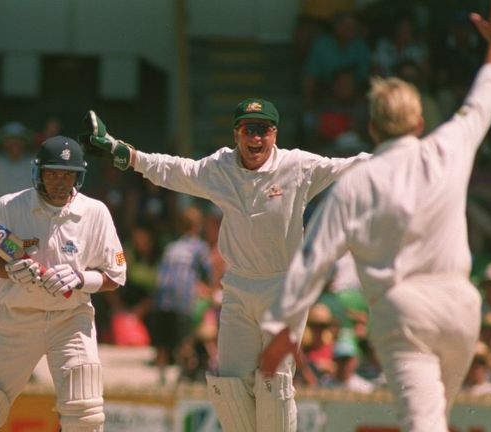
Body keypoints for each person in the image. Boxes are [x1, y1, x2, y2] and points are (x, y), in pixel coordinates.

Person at [258, 2, 491, 431]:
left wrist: (281, 329)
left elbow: (313, 259)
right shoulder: (447, 148)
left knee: (423, 423)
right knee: (437, 418)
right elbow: (486, 94)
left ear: (373, 130)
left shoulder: (356, 183)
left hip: (403, 312)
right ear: (419, 121)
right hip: (461, 307)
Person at [84, 96, 369, 430]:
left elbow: (351, 165)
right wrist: (125, 153)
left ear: (274, 133)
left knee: (275, 382)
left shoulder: (298, 166)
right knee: (230, 385)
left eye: (263, 130)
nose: (256, 138)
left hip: (284, 289)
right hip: (237, 287)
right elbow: (174, 169)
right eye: (249, 129)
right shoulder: (220, 168)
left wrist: (407, 154)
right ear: (236, 134)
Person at [0, 136, 126, 432]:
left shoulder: (95, 212)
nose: (60, 181)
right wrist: (11, 270)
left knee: (85, 414)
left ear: (78, 176)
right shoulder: (9, 206)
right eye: (53, 173)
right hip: (20, 319)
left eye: (67, 174)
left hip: (71, 320)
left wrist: (82, 279)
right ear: (39, 172)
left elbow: (116, 276)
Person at [150, 206, 213, 384]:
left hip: (161, 300)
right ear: (198, 226)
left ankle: (161, 378)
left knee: (163, 342)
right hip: (182, 300)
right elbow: (207, 274)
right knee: (185, 339)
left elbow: (160, 274)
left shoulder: (171, 247)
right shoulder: (199, 248)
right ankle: (183, 375)